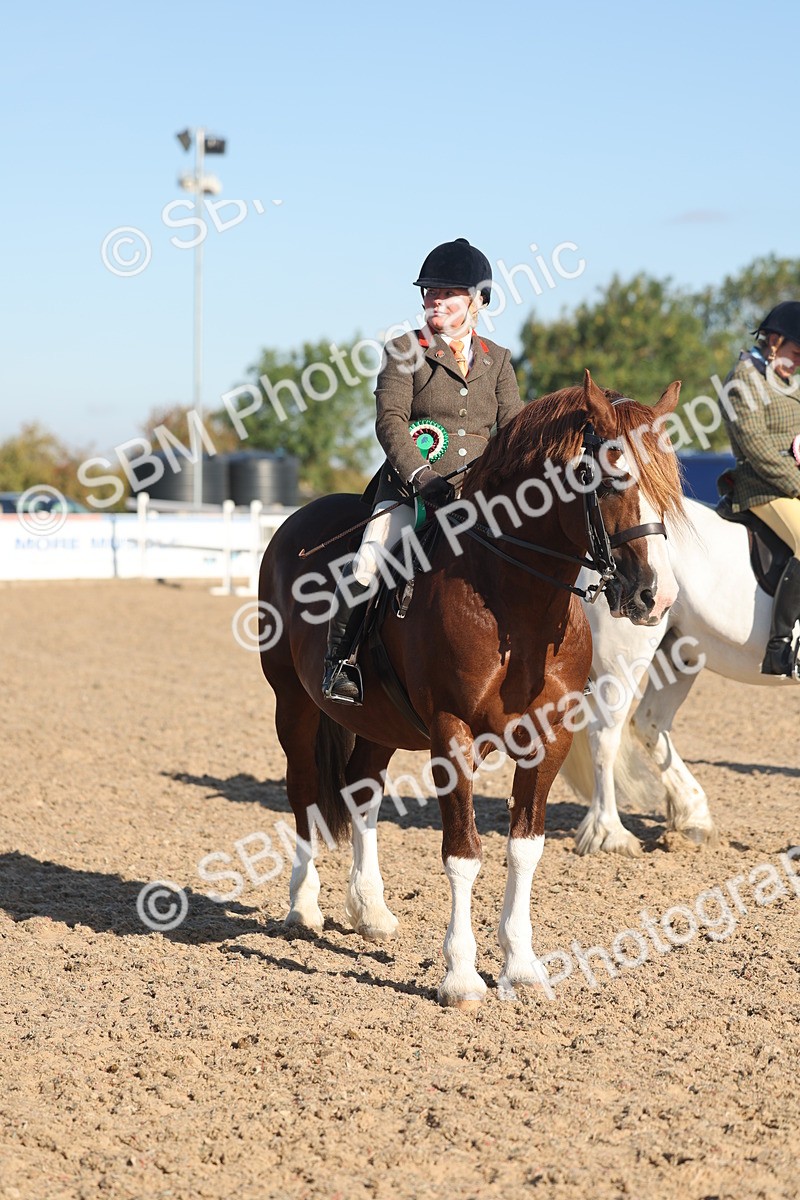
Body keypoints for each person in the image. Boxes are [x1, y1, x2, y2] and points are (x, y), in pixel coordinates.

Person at [321, 237, 525, 704]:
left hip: (481, 494)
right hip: (412, 488)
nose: (433, 300)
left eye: (446, 293)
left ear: (477, 302)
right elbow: (390, 422)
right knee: (369, 559)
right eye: (429, 292)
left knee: (540, 547)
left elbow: (514, 429)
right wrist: (422, 479)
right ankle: (341, 663)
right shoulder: (404, 350)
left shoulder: (498, 361)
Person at [720, 301, 800, 676]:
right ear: (775, 341)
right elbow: (758, 450)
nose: (798, 363)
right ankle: (781, 645)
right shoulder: (742, 380)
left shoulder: (786, 378)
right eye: (796, 353)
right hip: (762, 487)